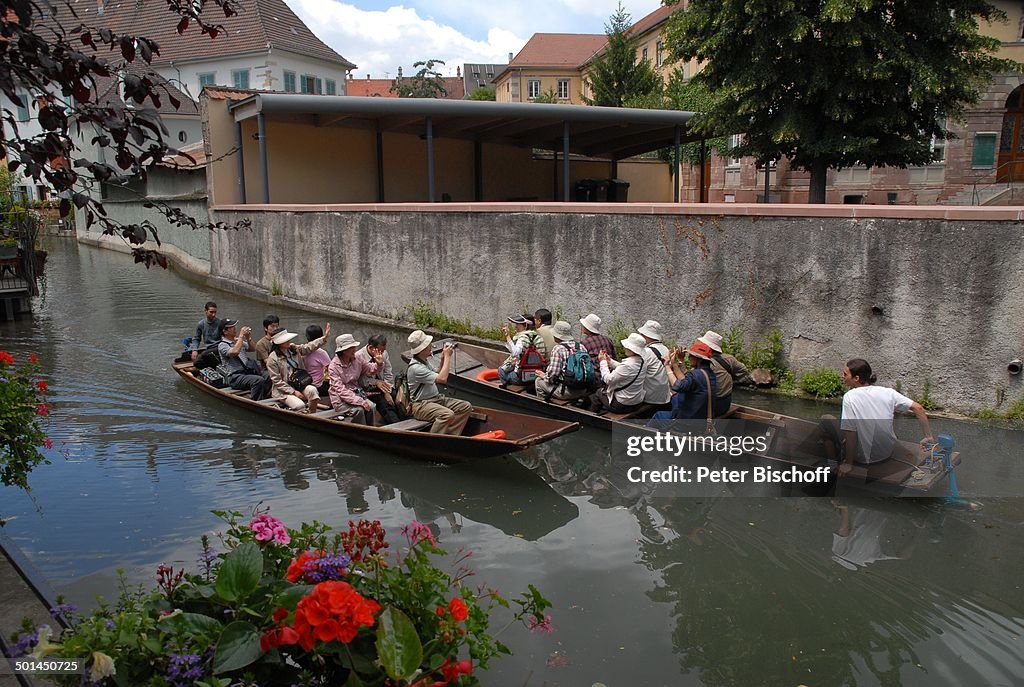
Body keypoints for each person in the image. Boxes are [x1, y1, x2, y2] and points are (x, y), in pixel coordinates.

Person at [834, 358, 934, 476]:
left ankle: (836, 463)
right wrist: (928, 436)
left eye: (845, 374)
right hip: (886, 452)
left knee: (827, 421)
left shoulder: (849, 397)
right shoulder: (888, 392)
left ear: (856, 378)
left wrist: (849, 464)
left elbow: (851, 432)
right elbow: (919, 408)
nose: (842, 376)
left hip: (863, 458)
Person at [405, 330, 473, 435]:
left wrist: (442, 359)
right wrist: (447, 357)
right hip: (421, 405)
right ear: (422, 349)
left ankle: (451, 435)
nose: (431, 346)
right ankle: (433, 440)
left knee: (465, 406)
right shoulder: (416, 368)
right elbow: (442, 379)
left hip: (436, 399)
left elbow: (437, 374)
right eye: (428, 345)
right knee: (447, 414)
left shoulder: (424, 362)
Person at [649, 340, 721, 422]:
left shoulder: (696, 375)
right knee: (675, 398)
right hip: (701, 416)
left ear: (698, 359)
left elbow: (677, 386)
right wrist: (675, 364)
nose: (689, 357)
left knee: (659, 415)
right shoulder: (708, 373)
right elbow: (684, 381)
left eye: (691, 355)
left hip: (689, 422)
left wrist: (667, 366)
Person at [265, 325, 330, 412]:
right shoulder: (272, 359)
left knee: (313, 391)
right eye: (285, 340)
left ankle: (312, 414)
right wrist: (293, 392)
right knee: (300, 405)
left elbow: (308, 347)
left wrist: (323, 338)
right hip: (284, 391)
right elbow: (277, 381)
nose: (288, 341)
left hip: (299, 384)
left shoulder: (293, 348)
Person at [328, 334, 384, 425]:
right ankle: (360, 430)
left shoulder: (357, 358)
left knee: (372, 406)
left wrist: (379, 364)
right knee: (359, 410)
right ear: (343, 351)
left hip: (356, 393)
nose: (354, 349)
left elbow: (370, 370)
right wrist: (360, 401)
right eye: (351, 347)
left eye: (354, 347)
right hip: (340, 399)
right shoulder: (333, 367)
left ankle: (371, 428)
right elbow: (340, 390)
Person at [588, 333, 647, 415]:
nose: (624, 348)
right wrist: (609, 361)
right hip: (637, 401)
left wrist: (603, 362)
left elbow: (608, 379)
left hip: (622, 405)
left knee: (599, 393)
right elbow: (624, 369)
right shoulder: (642, 361)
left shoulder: (627, 365)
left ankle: (590, 417)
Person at [217, 318, 272, 400]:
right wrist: (241, 336)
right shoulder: (222, 345)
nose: (235, 328)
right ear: (225, 331)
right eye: (232, 327)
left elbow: (253, 348)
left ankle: (265, 397)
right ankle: (256, 402)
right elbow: (235, 352)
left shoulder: (238, 341)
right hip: (235, 377)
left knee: (269, 375)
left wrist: (248, 337)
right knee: (258, 380)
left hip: (247, 371)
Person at [535, 320, 589, 402]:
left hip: (566, 391)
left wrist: (543, 376)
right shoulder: (581, 347)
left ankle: (542, 406)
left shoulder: (558, 349)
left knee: (538, 382)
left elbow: (552, 374)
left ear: (556, 336)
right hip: (583, 389)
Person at [357, 334, 402, 424]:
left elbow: (388, 373)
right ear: (371, 348)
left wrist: (387, 390)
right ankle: (396, 424)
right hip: (366, 389)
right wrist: (375, 382)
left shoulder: (383, 353)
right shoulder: (359, 357)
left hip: (381, 385)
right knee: (383, 403)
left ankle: (405, 418)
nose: (382, 353)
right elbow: (359, 380)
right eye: (380, 351)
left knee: (396, 396)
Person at [698, 330, 753, 401]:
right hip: (725, 400)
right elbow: (743, 370)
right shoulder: (729, 359)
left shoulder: (702, 361)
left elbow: (687, 382)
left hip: (709, 401)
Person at [498, 314, 546, 386]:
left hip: (524, 375)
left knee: (501, 371)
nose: (516, 326)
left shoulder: (524, 337)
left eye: (518, 324)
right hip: (536, 372)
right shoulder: (536, 335)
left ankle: (508, 390)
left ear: (525, 325)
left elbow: (515, 353)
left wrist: (507, 336)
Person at [636, 320, 671, 409]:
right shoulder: (665, 349)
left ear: (646, 336)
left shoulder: (646, 352)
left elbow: (634, 369)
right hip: (664, 396)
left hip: (650, 397)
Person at [303, 324, 333, 398]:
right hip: (317, 386)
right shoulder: (321, 353)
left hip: (304, 384)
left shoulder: (302, 350)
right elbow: (332, 369)